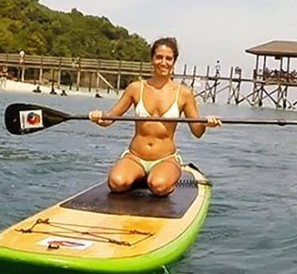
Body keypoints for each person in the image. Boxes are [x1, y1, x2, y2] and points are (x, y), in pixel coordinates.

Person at [89, 37, 221, 196]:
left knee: (159, 186)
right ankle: (139, 175)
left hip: (165, 158)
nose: (163, 62)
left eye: (168, 58)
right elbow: (109, 119)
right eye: (159, 57)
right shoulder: (136, 88)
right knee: (117, 183)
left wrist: (206, 123)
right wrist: (98, 117)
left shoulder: (184, 93)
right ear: (152, 60)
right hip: (135, 156)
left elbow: (197, 132)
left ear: (174, 62)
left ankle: (167, 174)